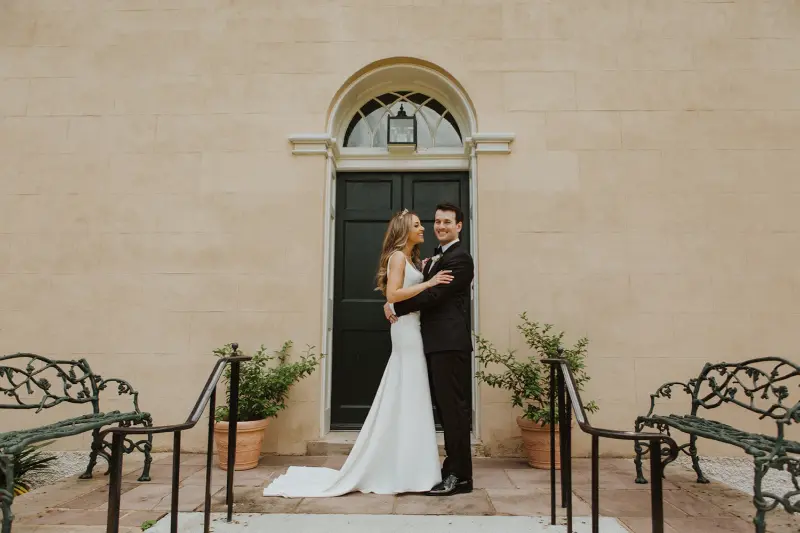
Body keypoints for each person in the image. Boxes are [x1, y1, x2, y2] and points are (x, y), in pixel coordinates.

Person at [262, 208, 453, 497]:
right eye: (417, 225)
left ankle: (411, 466)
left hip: (412, 327)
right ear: (404, 230)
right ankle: (409, 469)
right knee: (410, 387)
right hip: (407, 332)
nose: (423, 228)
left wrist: (422, 278)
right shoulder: (399, 257)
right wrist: (428, 283)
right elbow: (393, 295)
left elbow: (397, 298)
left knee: (409, 391)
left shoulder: (412, 258)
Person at [385, 202, 474, 496]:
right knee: (444, 410)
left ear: (459, 226)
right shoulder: (433, 258)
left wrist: (395, 304)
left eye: (447, 222)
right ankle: (447, 468)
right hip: (433, 343)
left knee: (454, 412)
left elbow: (436, 295)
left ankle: (459, 477)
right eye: (437, 221)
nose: (440, 226)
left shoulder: (461, 259)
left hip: (449, 343)